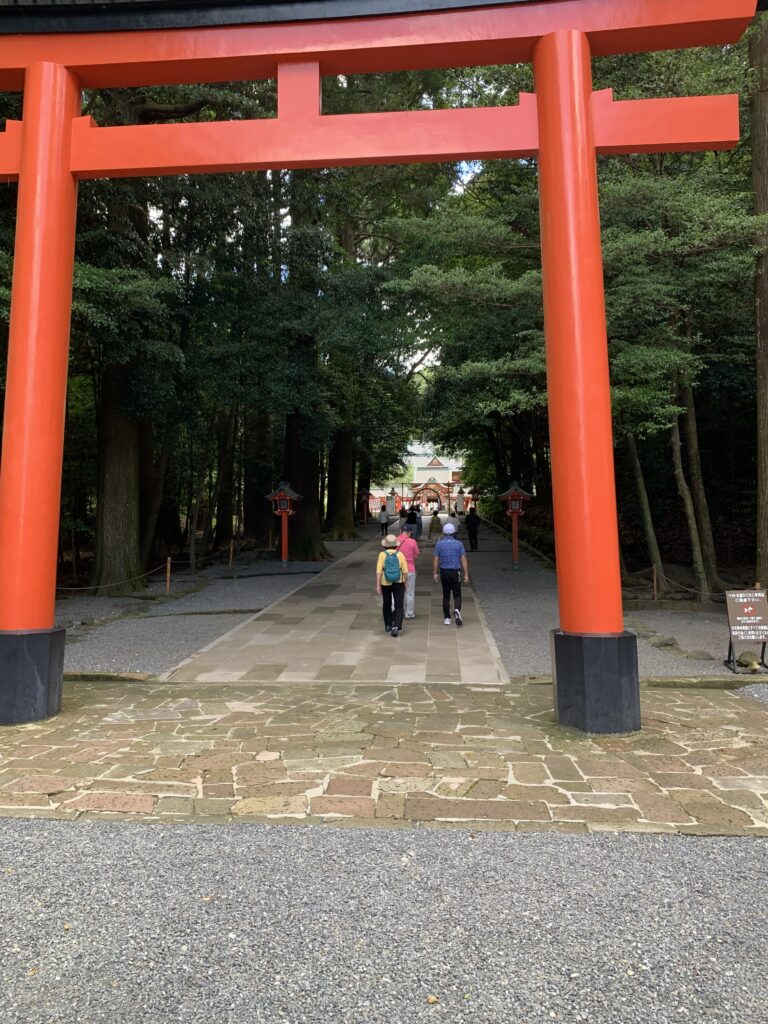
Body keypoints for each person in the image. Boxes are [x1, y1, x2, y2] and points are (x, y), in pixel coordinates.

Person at [433, 521, 470, 627]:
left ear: (444, 533)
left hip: (444, 571)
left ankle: (447, 618)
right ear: (454, 532)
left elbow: (436, 558)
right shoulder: (459, 544)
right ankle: (457, 610)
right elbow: (463, 558)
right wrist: (466, 574)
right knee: (457, 594)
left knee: (446, 595)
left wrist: (435, 572)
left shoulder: (439, 543)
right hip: (455, 571)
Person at [376, 534, 408, 637]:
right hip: (399, 582)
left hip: (385, 582)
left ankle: (388, 625)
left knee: (387, 603)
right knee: (399, 605)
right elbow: (405, 571)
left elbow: (379, 571)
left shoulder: (382, 555)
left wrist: (377, 585)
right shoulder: (400, 554)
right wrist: (406, 583)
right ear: (396, 545)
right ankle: (396, 626)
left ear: (385, 545)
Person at [397, 525, 420, 619]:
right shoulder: (412, 541)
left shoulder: (394, 540)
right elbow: (416, 555)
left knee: (396, 591)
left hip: (397, 570)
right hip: (409, 569)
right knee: (409, 592)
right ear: (410, 532)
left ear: (400, 531)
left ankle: (396, 611)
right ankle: (409, 613)